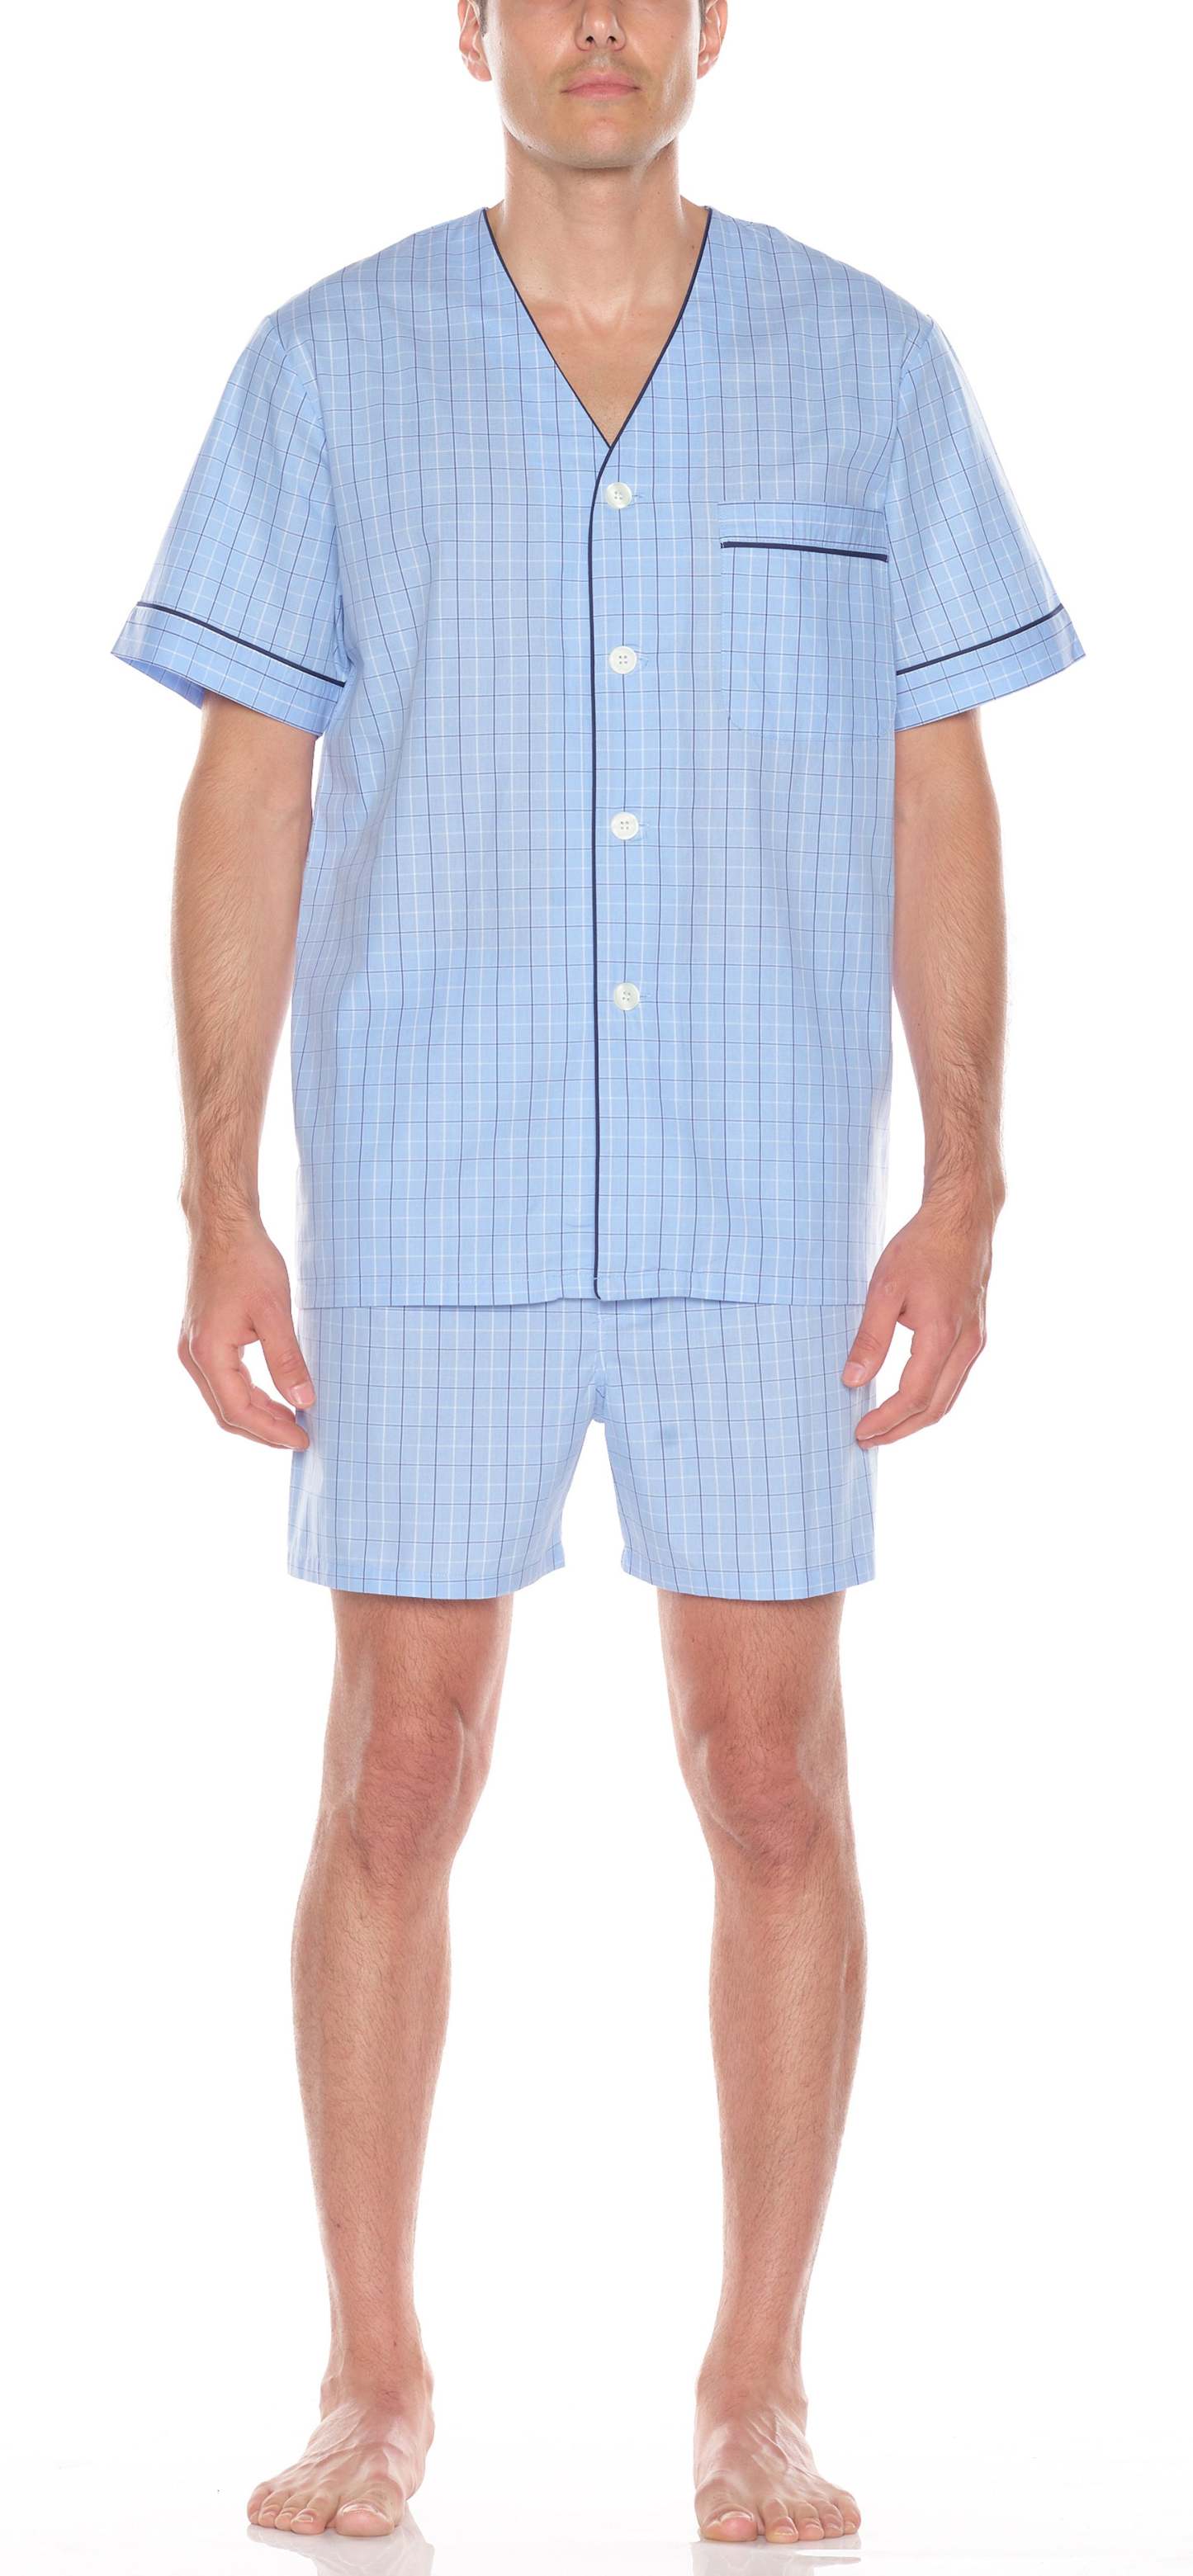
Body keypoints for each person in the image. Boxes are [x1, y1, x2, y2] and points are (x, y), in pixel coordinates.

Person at [111, 0, 1083, 2546]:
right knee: (396, 1770)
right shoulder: (326, 368)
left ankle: (758, 2383)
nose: (600, 27)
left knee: (774, 1776)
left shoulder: (873, 366)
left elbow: (939, 780)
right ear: (470, 26)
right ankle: (372, 2373)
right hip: (431, 1173)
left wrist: (967, 1171)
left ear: (717, 20)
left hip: (761, 1188)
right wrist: (216, 1188)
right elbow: (248, 785)